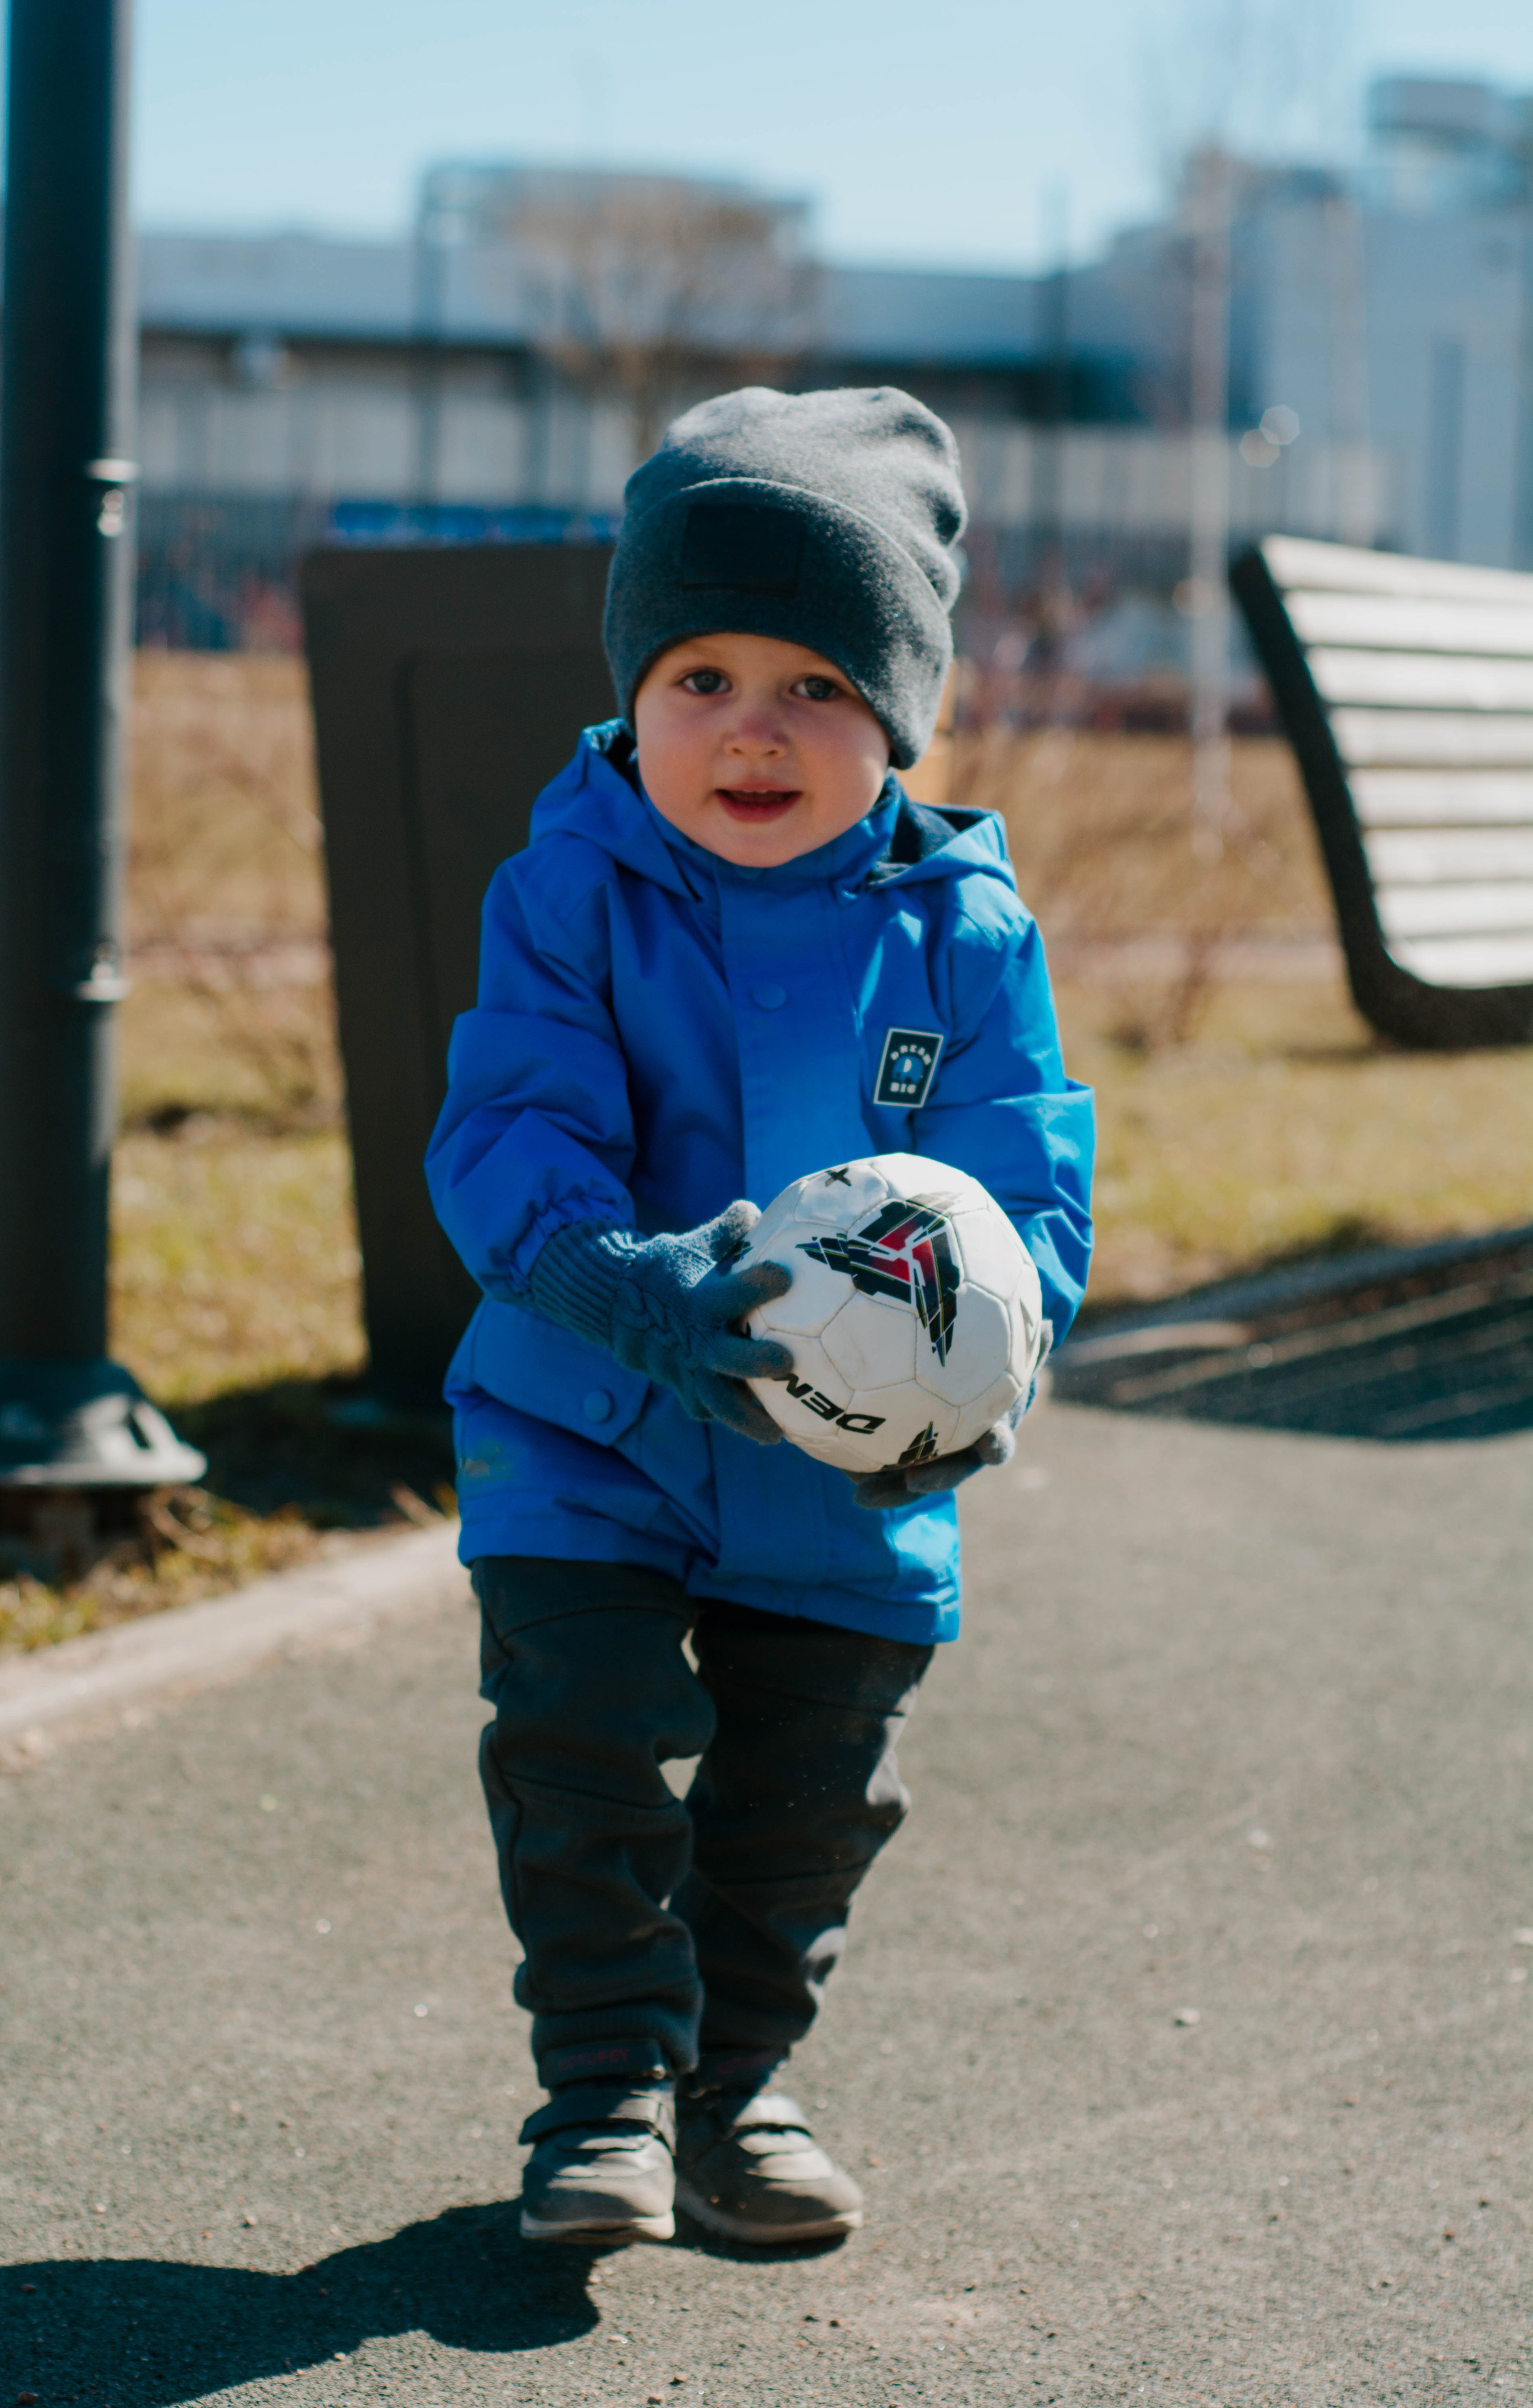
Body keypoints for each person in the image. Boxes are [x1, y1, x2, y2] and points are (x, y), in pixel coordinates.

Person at [425, 386, 1094, 2247]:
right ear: (635, 692)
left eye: (815, 684)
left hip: (849, 1474)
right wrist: (601, 1281)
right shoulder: (567, 890)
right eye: (701, 675)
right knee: (584, 1758)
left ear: (895, 715)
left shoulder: (965, 936)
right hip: (590, 1419)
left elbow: (1026, 1166)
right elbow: (509, 1124)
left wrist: (1007, 1319)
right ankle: (607, 2096)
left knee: (802, 1805)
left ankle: (737, 2088)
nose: (751, 727)